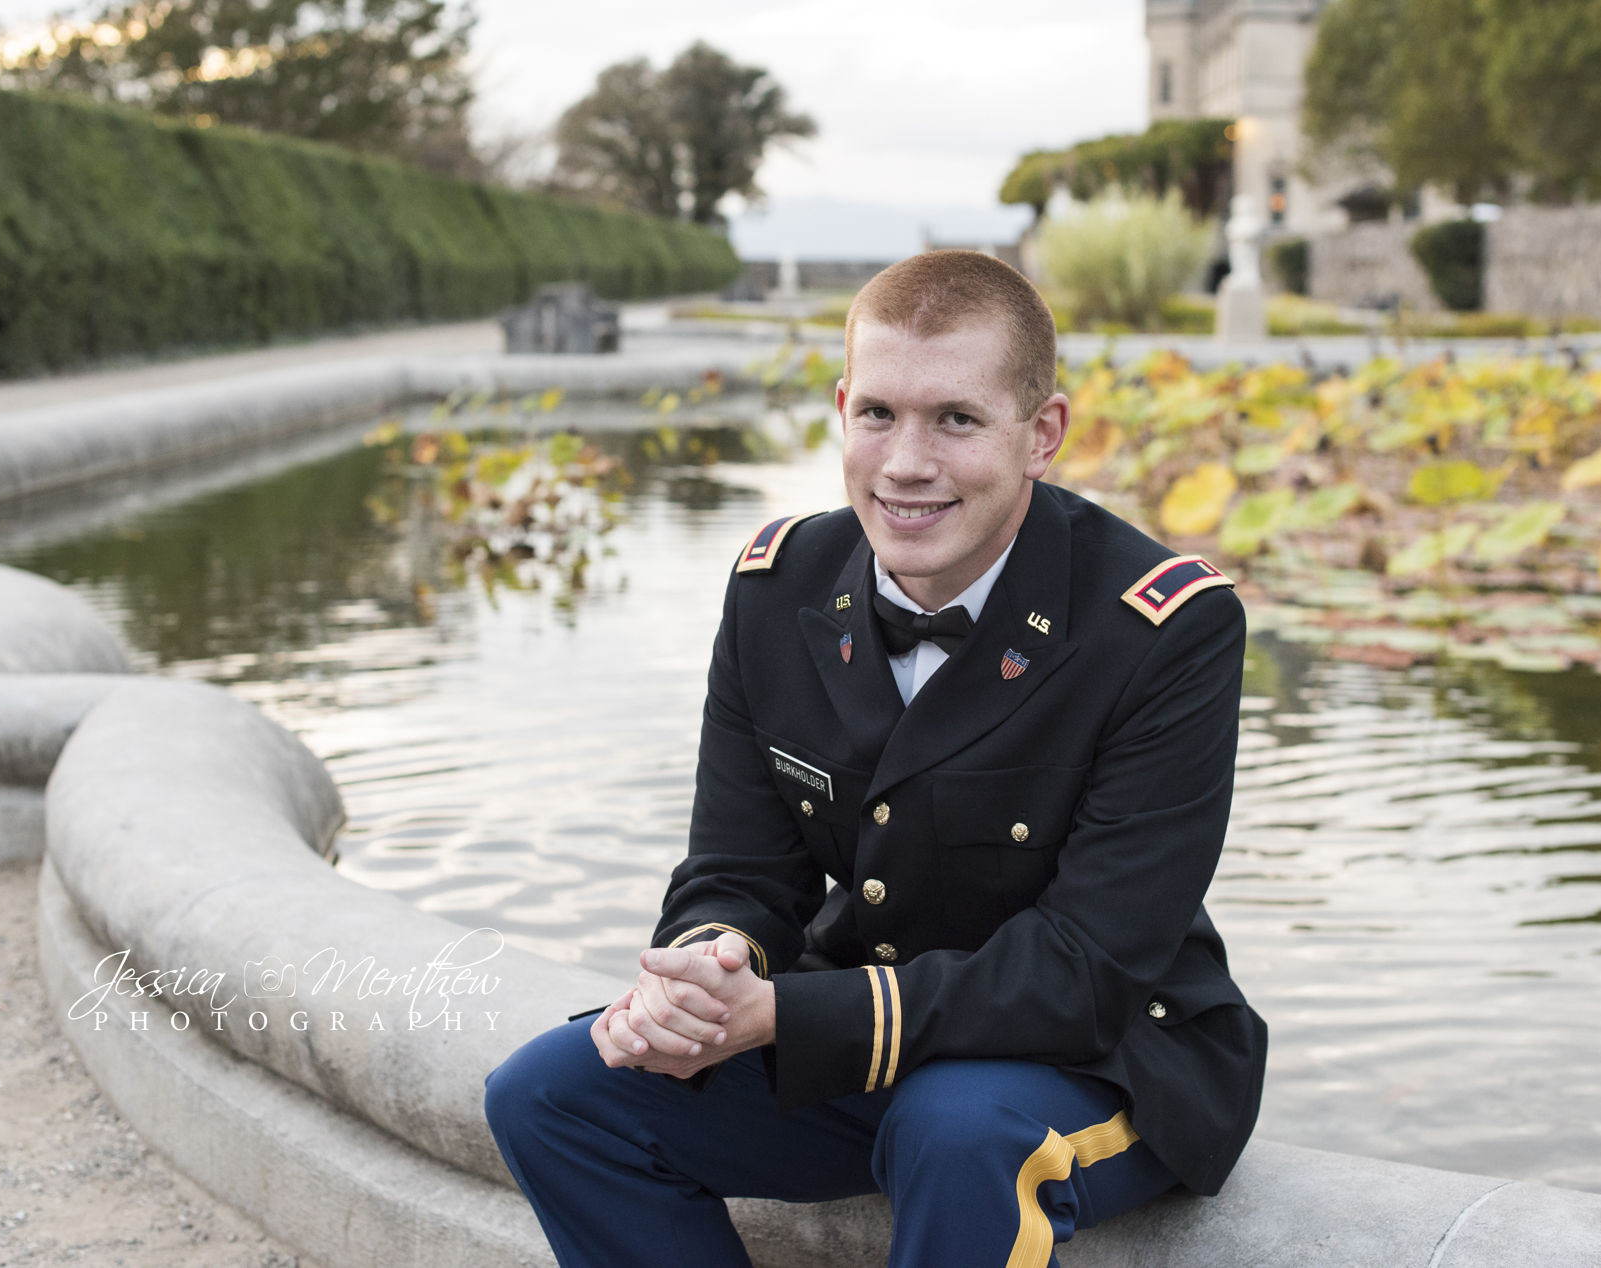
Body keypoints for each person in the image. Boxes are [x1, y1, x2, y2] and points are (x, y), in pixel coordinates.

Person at [485, 250, 1266, 1267]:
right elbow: (739, 868)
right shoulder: (776, 584)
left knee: (953, 1127)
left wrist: (794, 1013)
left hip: (1102, 1054)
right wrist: (711, 966)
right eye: (878, 415)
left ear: (1042, 434)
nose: (904, 462)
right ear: (841, 409)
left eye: (955, 419)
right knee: (549, 1094)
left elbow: (1088, 969)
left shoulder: (1164, 626)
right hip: (858, 1028)